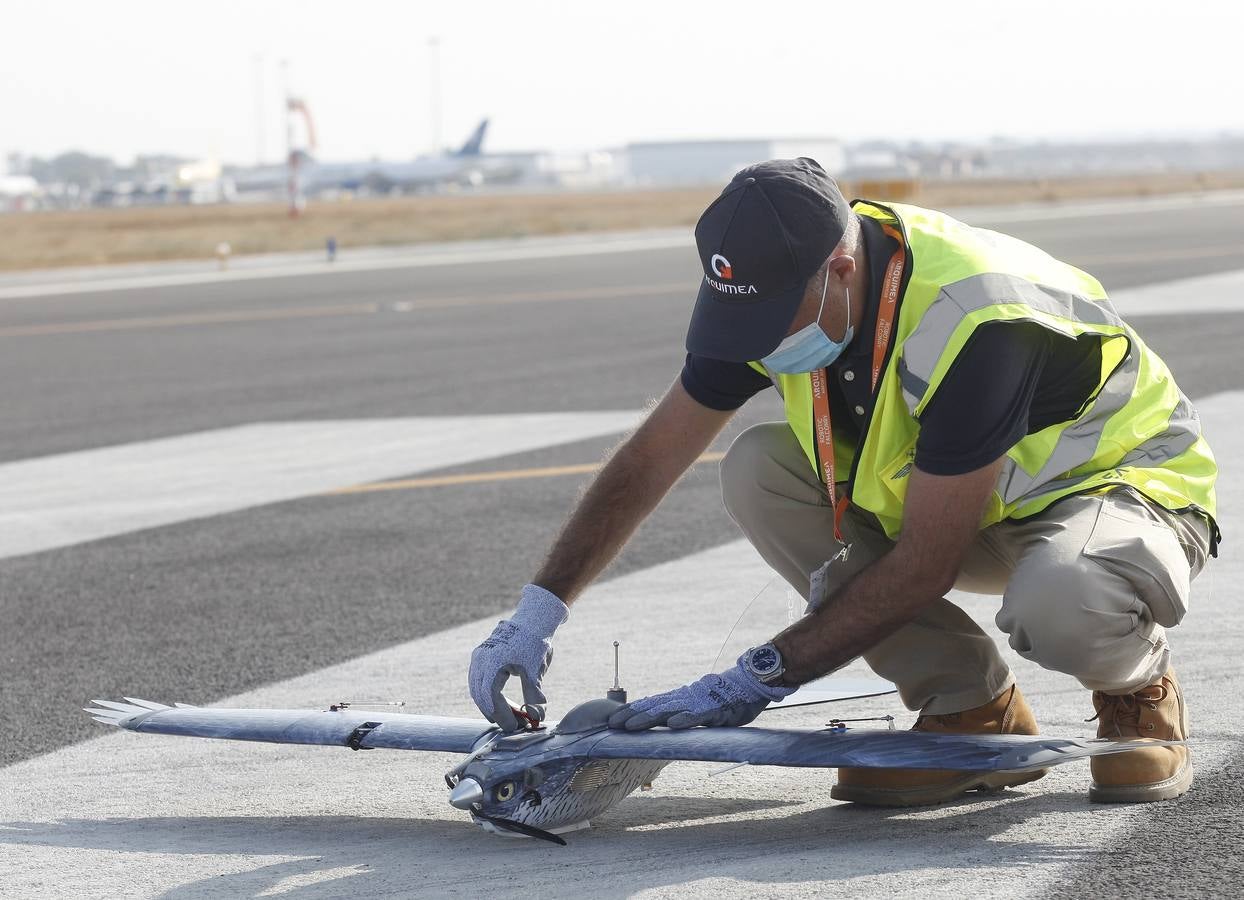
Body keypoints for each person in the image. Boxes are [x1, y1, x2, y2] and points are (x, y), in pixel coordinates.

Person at [468, 158, 1219, 806]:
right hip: (969, 502)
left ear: (841, 267)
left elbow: (924, 565)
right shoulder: (770, 296)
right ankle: (970, 707)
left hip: (1112, 495)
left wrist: (751, 681)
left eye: (771, 321)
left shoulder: (978, 318)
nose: (758, 343)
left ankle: (1137, 692)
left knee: (1063, 602)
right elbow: (650, 457)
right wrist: (536, 612)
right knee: (759, 470)